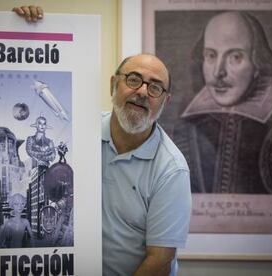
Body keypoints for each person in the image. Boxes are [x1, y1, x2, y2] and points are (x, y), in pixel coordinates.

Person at [13, 7, 192, 276]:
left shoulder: (171, 170)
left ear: (165, 102)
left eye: (155, 87)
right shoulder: (80, 133)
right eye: (134, 80)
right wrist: (27, 29)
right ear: (113, 86)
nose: (143, 92)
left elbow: (160, 261)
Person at [172, 11, 272, 194]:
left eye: (235, 57)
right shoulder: (183, 135)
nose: (218, 72)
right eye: (211, 56)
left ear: (258, 65)